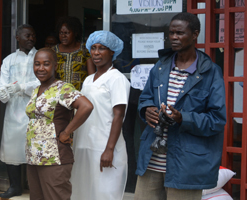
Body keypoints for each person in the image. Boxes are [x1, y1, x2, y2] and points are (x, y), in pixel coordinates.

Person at [135, 13, 226, 200]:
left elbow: (217, 120)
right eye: (171, 33)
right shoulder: (160, 66)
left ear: (195, 34)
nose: (174, 37)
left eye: (180, 33)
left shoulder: (210, 72)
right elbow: (145, 98)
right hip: (151, 160)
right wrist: (146, 110)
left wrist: (182, 118)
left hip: (186, 165)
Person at [25, 48, 93, 200]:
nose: (41, 68)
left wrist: (66, 132)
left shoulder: (63, 88)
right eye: (37, 64)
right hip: (33, 157)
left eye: (46, 64)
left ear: (55, 66)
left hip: (54, 158)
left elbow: (86, 106)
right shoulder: (36, 90)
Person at [70, 31, 130, 200]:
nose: (96, 52)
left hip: (105, 148)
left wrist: (109, 150)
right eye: (93, 48)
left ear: (112, 52)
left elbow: (118, 116)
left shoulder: (117, 79)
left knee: (104, 194)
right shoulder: (88, 80)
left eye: (102, 48)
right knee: (82, 192)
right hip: (84, 146)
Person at [0, 24, 39, 198]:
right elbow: (1, 82)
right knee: (12, 147)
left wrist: (22, 87)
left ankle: (35, 186)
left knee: (34, 147)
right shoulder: (9, 60)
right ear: (17, 38)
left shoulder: (39, 56)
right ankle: (14, 186)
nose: (31, 38)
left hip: (35, 107)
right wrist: (1, 92)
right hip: (14, 109)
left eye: (33, 35)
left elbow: (42, 81)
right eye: (27, 35)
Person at [52, 17, 95, 90]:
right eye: (61, 33)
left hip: (80, 95)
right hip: (58, 95)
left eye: (67, 33)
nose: (63, 36)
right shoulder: (53, 51)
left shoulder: (85, 49)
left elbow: (91, 76)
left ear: (75, 33)